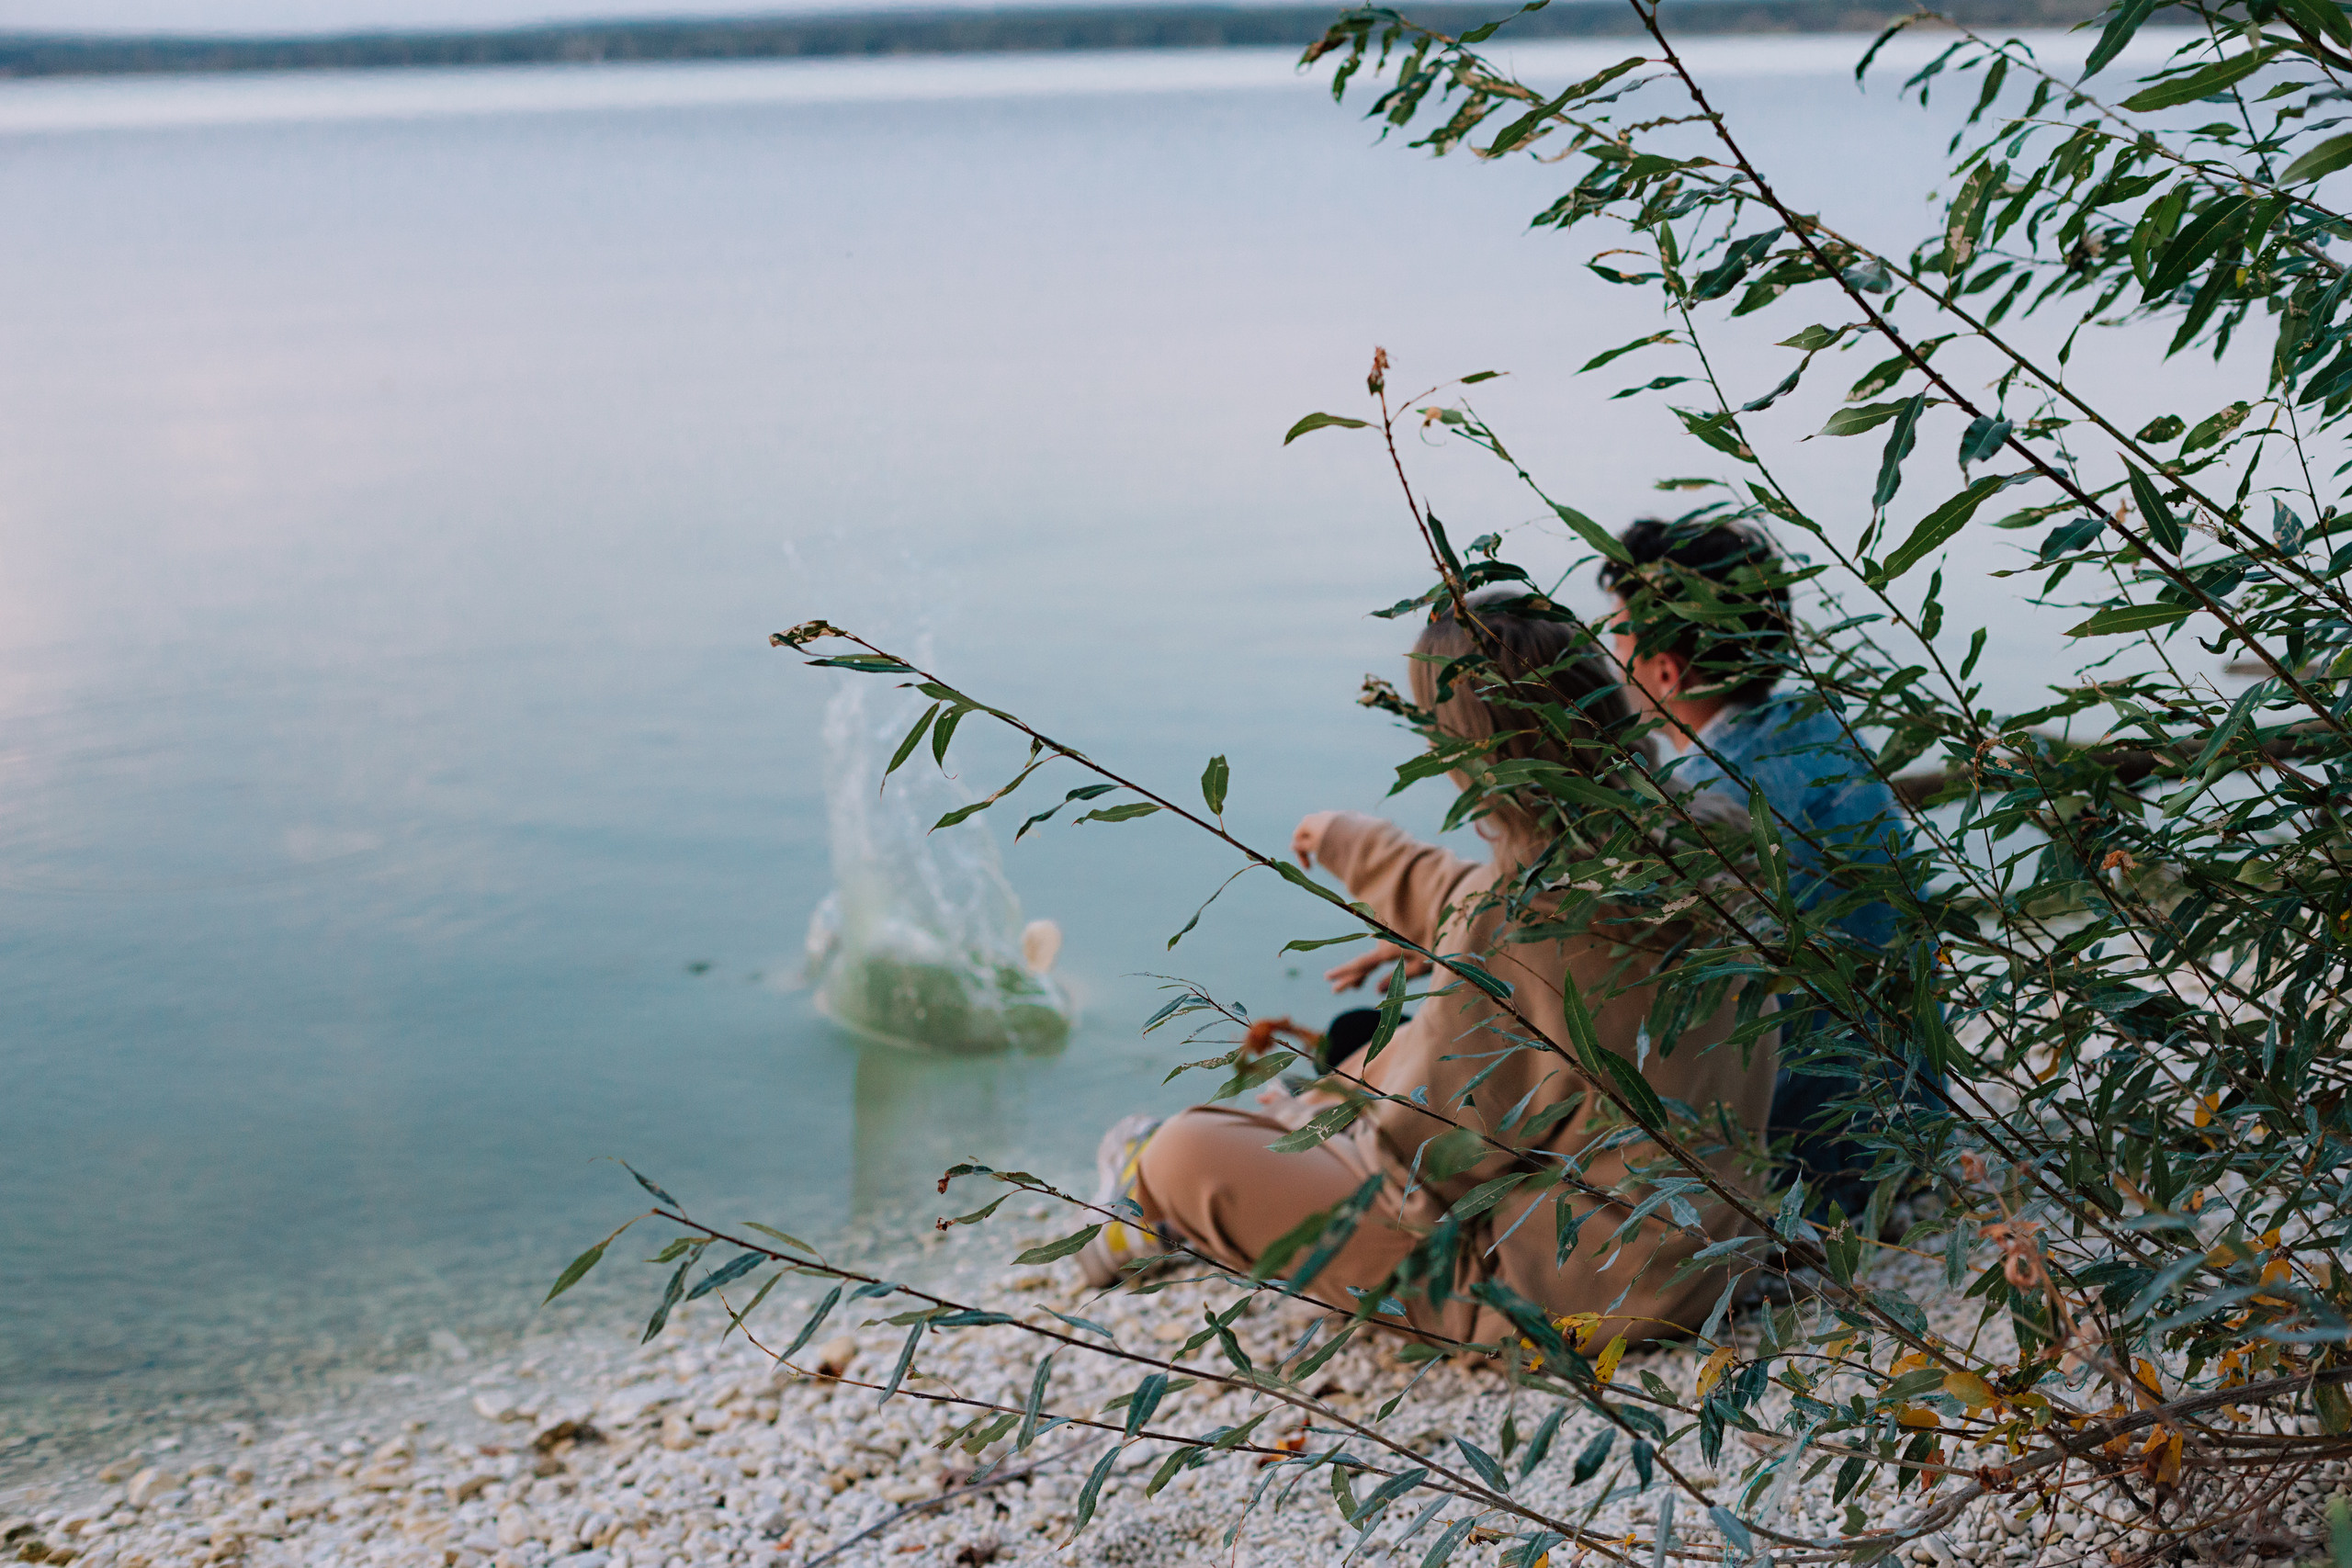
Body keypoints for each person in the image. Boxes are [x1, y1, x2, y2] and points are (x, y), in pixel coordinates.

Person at [1080, 601, 1779, 1350]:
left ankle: (1140, 1200)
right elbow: (1499, 928)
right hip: (1710, 1260)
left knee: (1187, 1149)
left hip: (1559, 1294)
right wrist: (1363, 850)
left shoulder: (1512, 921)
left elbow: (1428, 1154)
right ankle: (1218, 1145)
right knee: (1375, 1058)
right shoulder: (1719, 838)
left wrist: (1314, 1118)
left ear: (1462, 755)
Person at [1597, 515, 1908, 1221]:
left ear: (1665, 670)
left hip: (1808, 1158)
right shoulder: (1823, 730)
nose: (1611, 655)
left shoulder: (1707, 805)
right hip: (1904, 1114)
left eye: (1618, 636)